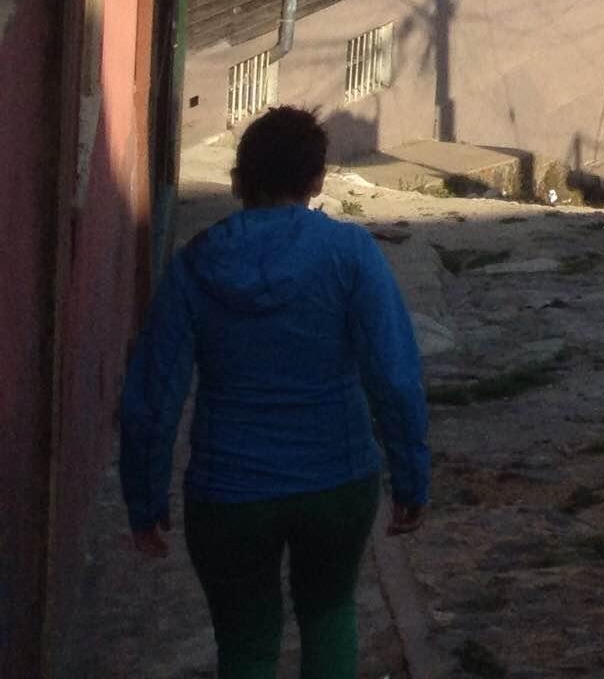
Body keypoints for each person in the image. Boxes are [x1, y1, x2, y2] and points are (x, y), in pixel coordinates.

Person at [117, 106, 432, 679]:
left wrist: (144, 496)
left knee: (246, 643)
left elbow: (154, 395)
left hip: (229, 492)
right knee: (330, 615)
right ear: (316, 181)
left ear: (239, 180)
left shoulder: (196, 265)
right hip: (336, 482)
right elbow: (393, 375)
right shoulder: (351, 255)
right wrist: (411, 475)